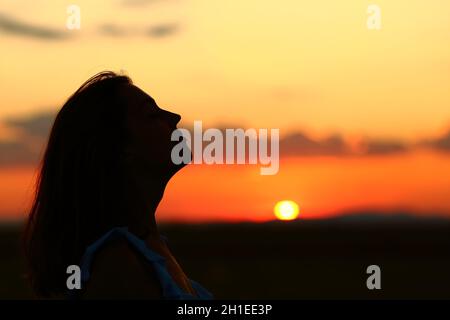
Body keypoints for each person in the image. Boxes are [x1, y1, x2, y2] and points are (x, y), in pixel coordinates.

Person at [23, 71, 213, 300]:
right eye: (152, 114)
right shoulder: (120, 265)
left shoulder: (146, 249)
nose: (174, 117)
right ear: (120, 149)